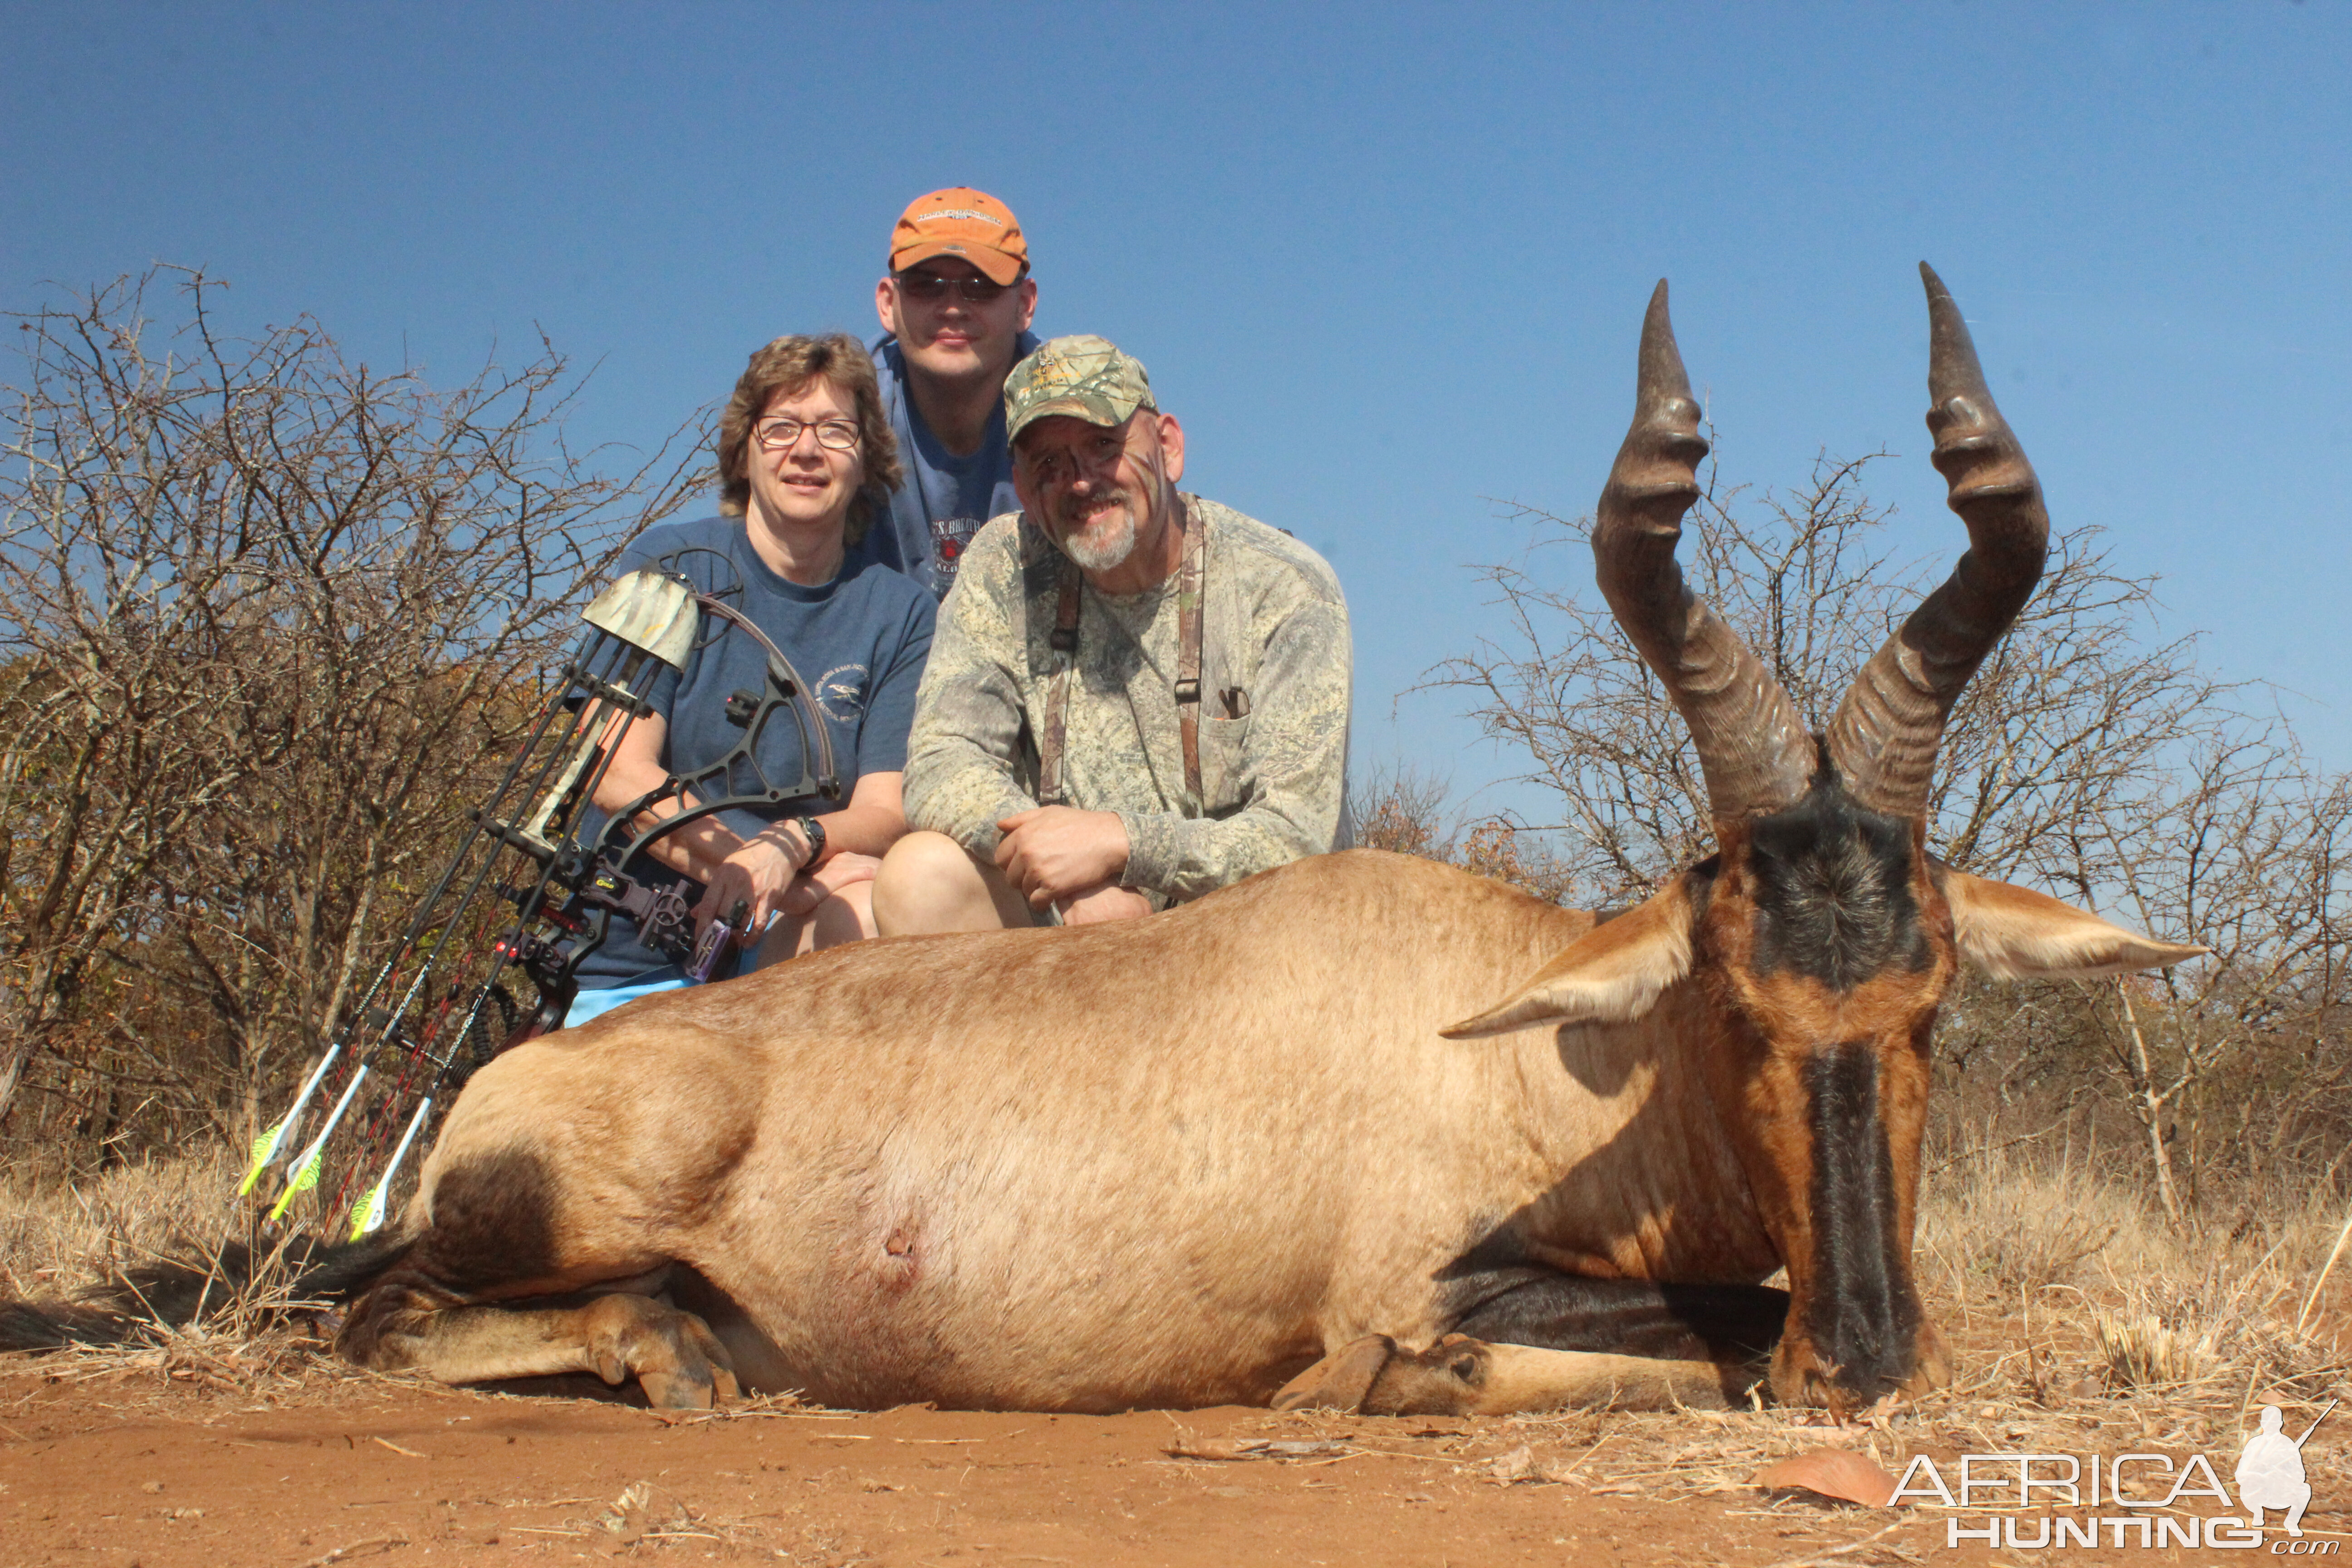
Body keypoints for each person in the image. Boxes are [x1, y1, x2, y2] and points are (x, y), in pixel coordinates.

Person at [872, 334, 1351, 934]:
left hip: (1244, 942)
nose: (1079, 481)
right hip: (1074, 927)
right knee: (922, 877)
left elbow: (1295, 837)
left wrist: (1123, 844)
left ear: (1169, 447)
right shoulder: (1003, 564)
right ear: (1022, 489)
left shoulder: (1285, 585)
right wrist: (1066, 874)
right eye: (1049, 463)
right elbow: (942, 764)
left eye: (1105, 446)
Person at [564, 333, 935, 1027]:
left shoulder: (903, 610)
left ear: (867, 462)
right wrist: (761, 865)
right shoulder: (669, 562)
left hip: (777, 951)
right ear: (745, 450)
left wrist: (791, 847)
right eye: (782, 428)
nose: (806, 451)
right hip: (631, 964)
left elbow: (885, 811)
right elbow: (614, 769)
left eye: (835, 430)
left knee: (877, 904)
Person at [867, 187, 1041, 602]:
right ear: (888, 303)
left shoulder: (1074, 416)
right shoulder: (839, 416)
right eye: (927, 285)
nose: (952, 307)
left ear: (1024, 304)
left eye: (980, 286)